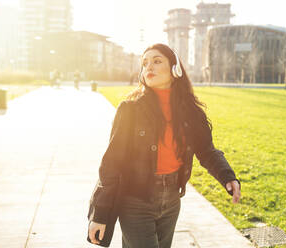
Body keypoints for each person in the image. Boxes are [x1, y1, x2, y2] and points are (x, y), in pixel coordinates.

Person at [87, 43, 241, 248]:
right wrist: (100, 214)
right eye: (145, 63)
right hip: (135, 201)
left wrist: (227, 176)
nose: (149, 67)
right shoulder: (130, 110)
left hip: (171, 201)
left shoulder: (191, 112)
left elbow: (206, 150)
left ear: (175, 68)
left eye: (157, 61)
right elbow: (111, 164)